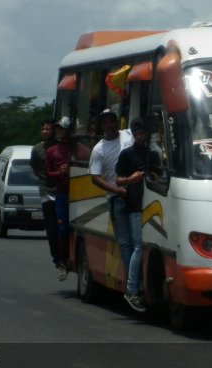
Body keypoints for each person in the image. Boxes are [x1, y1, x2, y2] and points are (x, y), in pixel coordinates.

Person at [115, 117, 160, 312]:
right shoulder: (126, 154)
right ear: (133, 134)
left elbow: (160, 176)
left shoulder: (154, 155)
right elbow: (117, 180)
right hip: (134, 205)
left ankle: (139, 287)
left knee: (145, 247)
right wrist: (131, 179)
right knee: (137, 247)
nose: (141, 137)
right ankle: (132, 289)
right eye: (138, 134)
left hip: (153, 206)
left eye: (144, 133)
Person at [88, 109, 134, 294]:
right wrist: (116, 190)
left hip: (137, 196)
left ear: (118, 122)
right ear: (101, 126)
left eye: (112, 121)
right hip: (117, 199)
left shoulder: (128, 134)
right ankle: (132, 285)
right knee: (125, 242)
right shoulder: (99, 149)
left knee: (138, 241)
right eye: (105, 123)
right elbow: (95, 178)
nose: (110, 125)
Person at [30, 118, 60, 275]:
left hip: (61, 189)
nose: (44, 132)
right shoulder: (36, 149)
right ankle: (56, 257)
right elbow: (35, 168)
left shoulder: (60, 146)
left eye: (47, 129)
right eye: (42, 129)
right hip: (46, 191)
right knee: (51, 226)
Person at [45, 116, 73, 281]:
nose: (59, 132)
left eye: (62, 129)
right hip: (61, 193)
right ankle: (62, 262)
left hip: (78, 192)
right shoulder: (51, 151)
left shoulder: (77, 149)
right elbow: (48, 174)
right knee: (62, 228)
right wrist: (60, 172)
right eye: (58, 129)